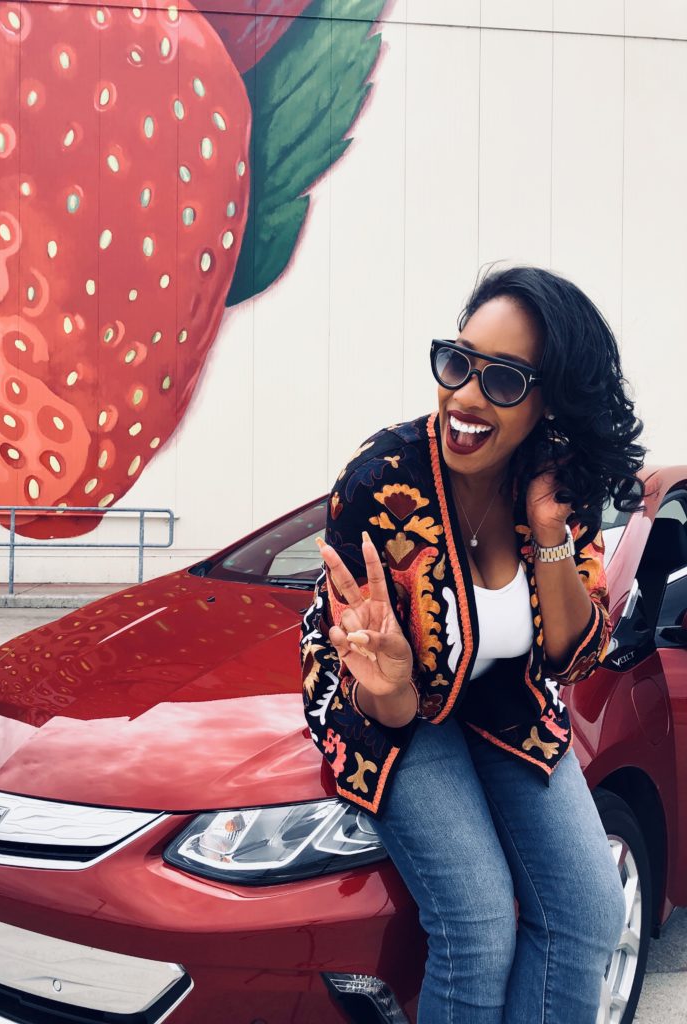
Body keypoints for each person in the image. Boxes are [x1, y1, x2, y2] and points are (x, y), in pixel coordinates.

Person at [299, 264, 647, 1024]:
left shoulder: (557, 484)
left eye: (505, 380)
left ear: (550, 399)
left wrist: (550, 532)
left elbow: (573, 657)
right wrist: (392, 688)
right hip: (388, 710)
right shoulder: (380, 480)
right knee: (479, 927)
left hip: (505, 702)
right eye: (458, 363)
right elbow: (357, 672)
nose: (465, 396)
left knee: (589, 912)